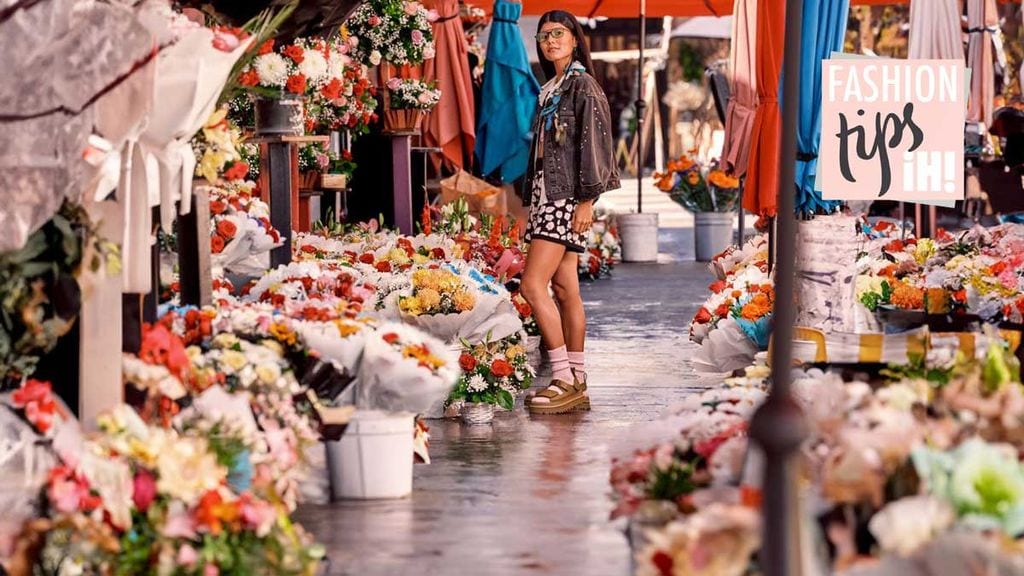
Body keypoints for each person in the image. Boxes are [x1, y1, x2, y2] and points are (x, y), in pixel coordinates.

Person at [520, 11, 619, 415]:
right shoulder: (553, 87)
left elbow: (596, 145)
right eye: (543, 36)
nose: (550, 41)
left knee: (532, 285)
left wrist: (586, 200)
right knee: (564, 290)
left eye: (557, 33)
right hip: (550, 194)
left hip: (565, 199)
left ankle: (562, 375)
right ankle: (576, 381)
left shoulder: (582, 86)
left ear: (575, 38)